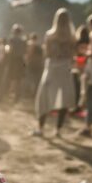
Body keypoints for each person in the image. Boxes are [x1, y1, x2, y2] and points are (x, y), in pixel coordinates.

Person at [34, 8, 77, 137]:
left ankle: (40, 128)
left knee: (44, 97)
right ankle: (58, 129)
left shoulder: (49, 35)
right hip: (65, 68)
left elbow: (47, 53)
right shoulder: (72, 37)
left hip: (52, 67)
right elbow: (73, 54)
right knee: (63, 99)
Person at [2, 24, 26, 102]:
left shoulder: (11, 40)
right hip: (20, 61)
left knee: (8, 78)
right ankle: (17, 97)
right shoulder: (23, 40)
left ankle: (3, 95)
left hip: (12, 60)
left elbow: (9, 50)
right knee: (19, 79)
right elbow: (25, 52)